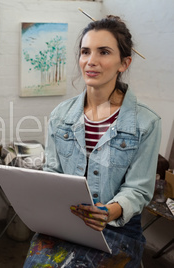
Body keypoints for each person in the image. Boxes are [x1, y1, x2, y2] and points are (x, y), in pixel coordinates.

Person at [24, 15, 161, 267]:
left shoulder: (146, 123)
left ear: (124, 63)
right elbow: (52, 173)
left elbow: (139, 190)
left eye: (104, 52)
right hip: (65, 223)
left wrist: (108, 212)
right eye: (85, 51)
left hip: (116, 229)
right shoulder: (60, 116)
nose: (91, 61)